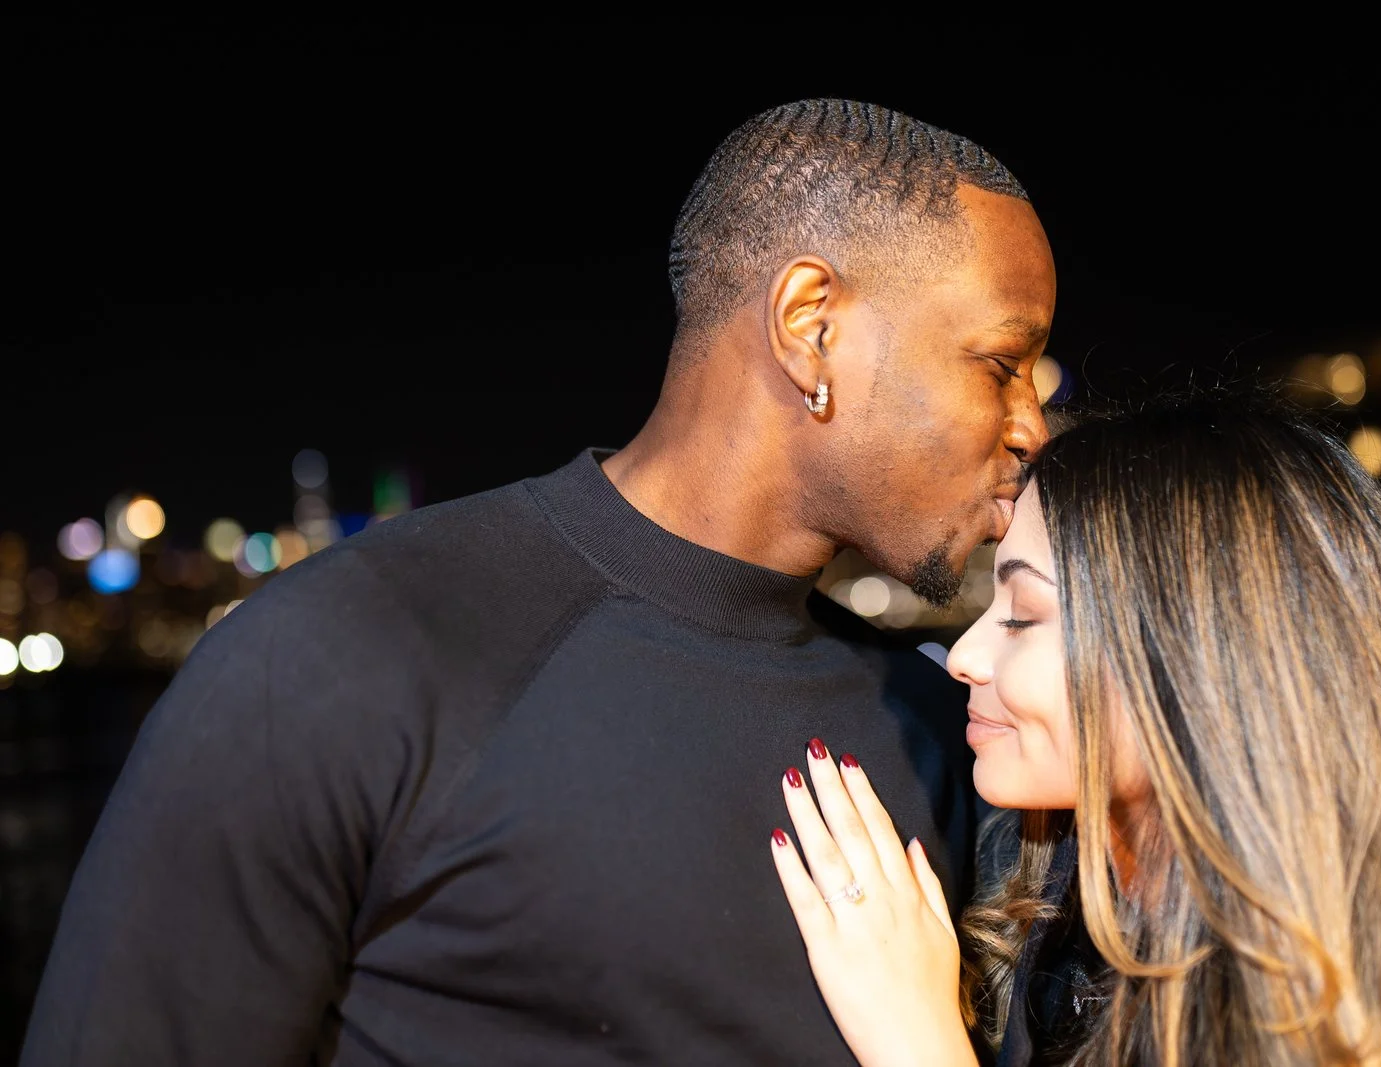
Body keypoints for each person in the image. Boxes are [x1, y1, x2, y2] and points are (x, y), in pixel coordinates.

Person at [21, 99, 1054, 1065]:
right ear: (810, 322)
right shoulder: (341, 658)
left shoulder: (949, 731)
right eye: (1003, 364)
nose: (1032, 428)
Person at [771, 389, 1381, 1066]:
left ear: (1194, 661)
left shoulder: (1345, 1018)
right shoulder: (1057, 893)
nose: (966, 655)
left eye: (1025, 614)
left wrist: (917, 1039)